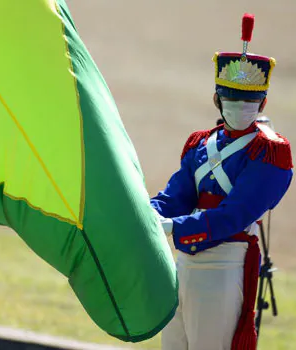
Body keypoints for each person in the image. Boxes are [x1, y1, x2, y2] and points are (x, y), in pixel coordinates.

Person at [151, 14, 293, 350]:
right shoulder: (201, 142)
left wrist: (173, 227)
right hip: (182, 261)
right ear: (217, 99)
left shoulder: (270, 151)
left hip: (224, 264)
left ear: (263, 104)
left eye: (249, 102)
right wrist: (147, 212)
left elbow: (234, 215)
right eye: (232, 99)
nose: (241, 108)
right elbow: (176, 195)